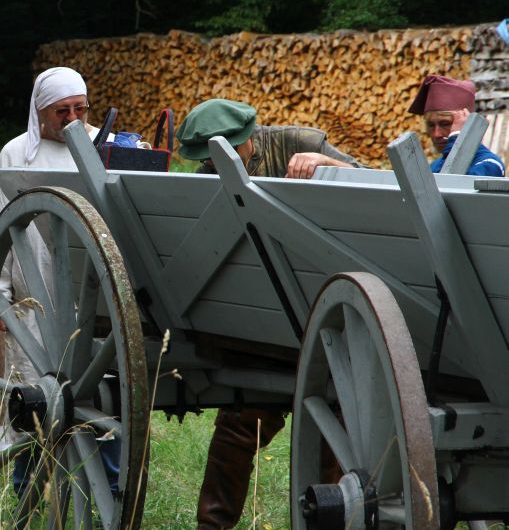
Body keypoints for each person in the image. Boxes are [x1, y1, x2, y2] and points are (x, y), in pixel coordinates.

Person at [176, 98, 364, 530]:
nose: (214, 164)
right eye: (207, 159)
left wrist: (327, 164)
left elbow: (374, 185)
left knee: (335, 428)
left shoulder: (298, 142)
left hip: (331, 316)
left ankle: (326, 521)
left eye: (225, 153)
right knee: (240, 421)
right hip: (266, 325)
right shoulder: (208, 176)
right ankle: (212, 525)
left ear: (248, 139)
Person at [0, 66, 121, 504]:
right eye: (62, 110)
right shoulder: (16, 153)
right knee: (34, 396)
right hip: (35, 298)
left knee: (104, 395)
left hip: (95, 294)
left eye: (81, 108)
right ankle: (27, 489)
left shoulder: (108, 146)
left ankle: (109, 490)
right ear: (39, 111)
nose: (73, 118)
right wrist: (0, 296)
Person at [408, 75, 504, 177]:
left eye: (445, 124)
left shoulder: (490, 164)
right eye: (431, 125)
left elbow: (456, 182)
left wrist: (456, 137)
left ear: (466, 124)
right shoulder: (434, 166)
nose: (436, 134)